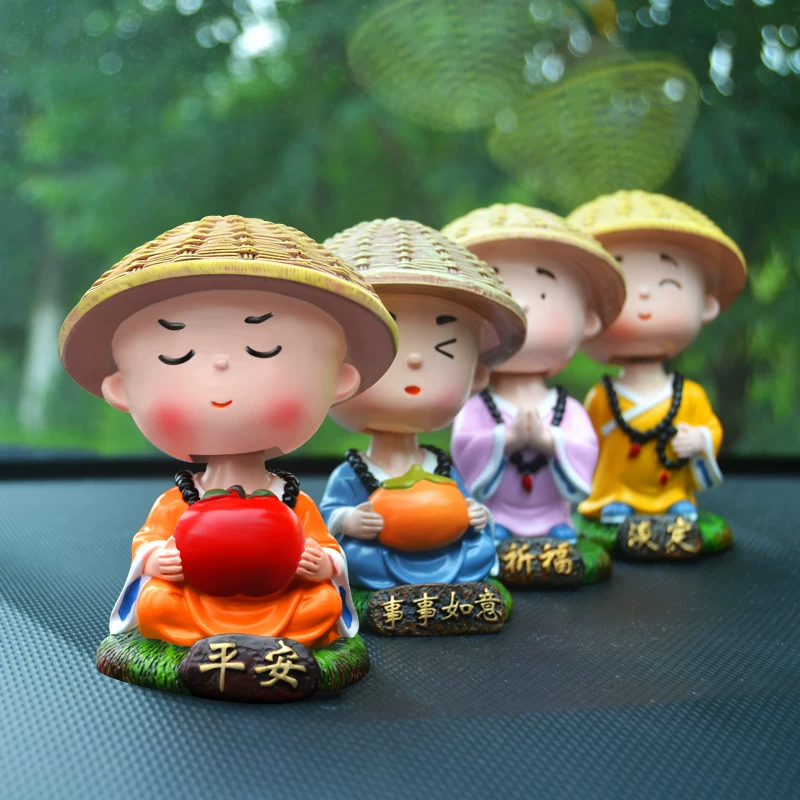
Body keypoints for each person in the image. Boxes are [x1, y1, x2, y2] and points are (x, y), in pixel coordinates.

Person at [58, 215, 398, 651]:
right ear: (122, 390)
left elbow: (326, 545)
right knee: (156, 602)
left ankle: (272, 642)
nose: (220, 367)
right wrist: (157, 559)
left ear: (339, 381)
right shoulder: (179, 500)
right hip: (197, 601)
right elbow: (147, 544)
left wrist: (324, 564)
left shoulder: (291, 499)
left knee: (323, 604)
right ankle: (205, 644)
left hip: (280, 601)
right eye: (178, 356)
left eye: (263, 350)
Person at [319, 218, 526, 594]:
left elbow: (467, 504)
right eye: (390, 349)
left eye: (444, 349)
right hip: (382, 555)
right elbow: (328, 516)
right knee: (356, 557)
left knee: (480, 550)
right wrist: (348, 520)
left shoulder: (441, 465)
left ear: (476, 375)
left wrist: (475, 513)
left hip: (447, 552)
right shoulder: (352, 473)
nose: (414, 360)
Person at [443, 204, 625, 545]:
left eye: (542, 294)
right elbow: (464, 447)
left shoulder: (567, 409)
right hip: (497, 510)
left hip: (555, 511)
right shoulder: (477, 407)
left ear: (587, 319)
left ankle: (556, 521)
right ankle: (499, 524)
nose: (522, 306)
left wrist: (549, 441)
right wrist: (506, 440)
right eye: (503, 294)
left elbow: (585, 447)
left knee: (563, 539)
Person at [567, 191, 747, 524]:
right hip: (615, 488)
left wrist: (699, 439)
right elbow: (584, 444)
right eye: (622, 288)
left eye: (667, 283)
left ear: (707, 304)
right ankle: (614, 496)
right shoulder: (602, 398)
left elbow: (711, 429)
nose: (644, 295)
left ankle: (673, 498)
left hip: (670, 486)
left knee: (678, 503)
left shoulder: (689, 395)